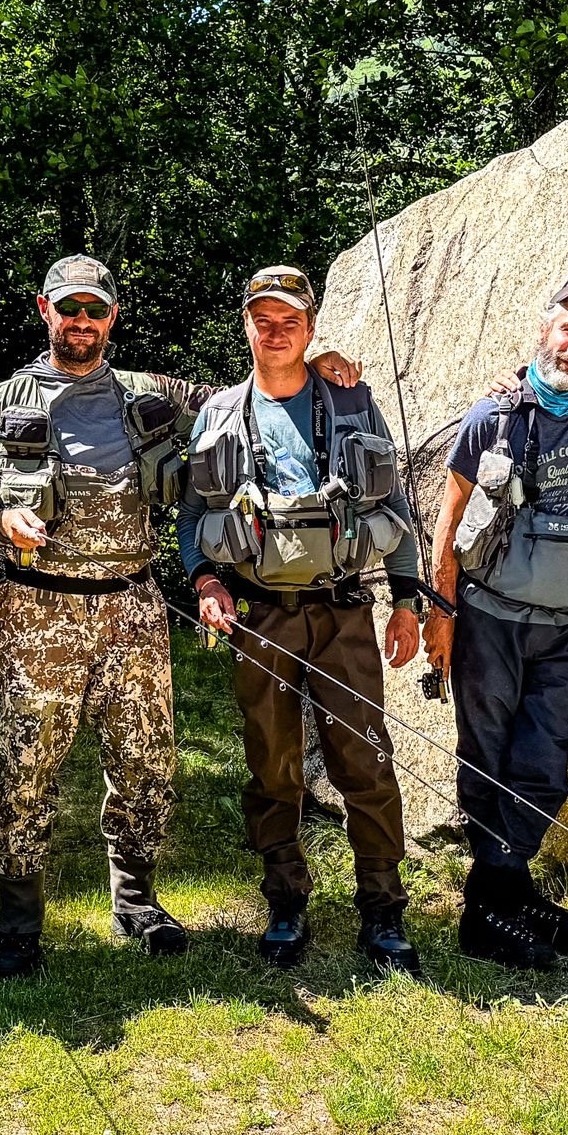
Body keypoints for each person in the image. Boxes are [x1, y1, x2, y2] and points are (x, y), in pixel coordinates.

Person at [0, 255, 359, 976]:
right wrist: (2, 524)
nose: (81, 321)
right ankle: (19, 921)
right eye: (68, 308)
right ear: (44, 311)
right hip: (39, 608)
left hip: (135, 604)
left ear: (111, 317)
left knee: (147, 762)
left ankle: (136, 901)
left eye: (95, 309)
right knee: (26, 767)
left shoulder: (153, 394)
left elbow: (254, 395)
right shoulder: (3, 400)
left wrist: (318, 358)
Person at [181, 266, 426, 974]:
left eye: (290, 319)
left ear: (312, 327)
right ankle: (286, 902)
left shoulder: (351, 403)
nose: (277, 330)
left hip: (345, 611)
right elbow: (195, 518)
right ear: (246, 325)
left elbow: (397, 506)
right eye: (263, 318)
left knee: (366, 763)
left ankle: (382, 912)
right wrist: (204, 581)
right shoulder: (220, 413)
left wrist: (407, 600)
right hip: (261, 616)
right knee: (273, 765)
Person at [421, 276, 568, 970]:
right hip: (489, 619)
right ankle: (490, 911)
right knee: (487, 761)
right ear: (544, 326)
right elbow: (449, 514)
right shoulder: (494, 414)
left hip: (565, 624)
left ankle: (502, 892)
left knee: (541, 766)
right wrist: (441, 612)